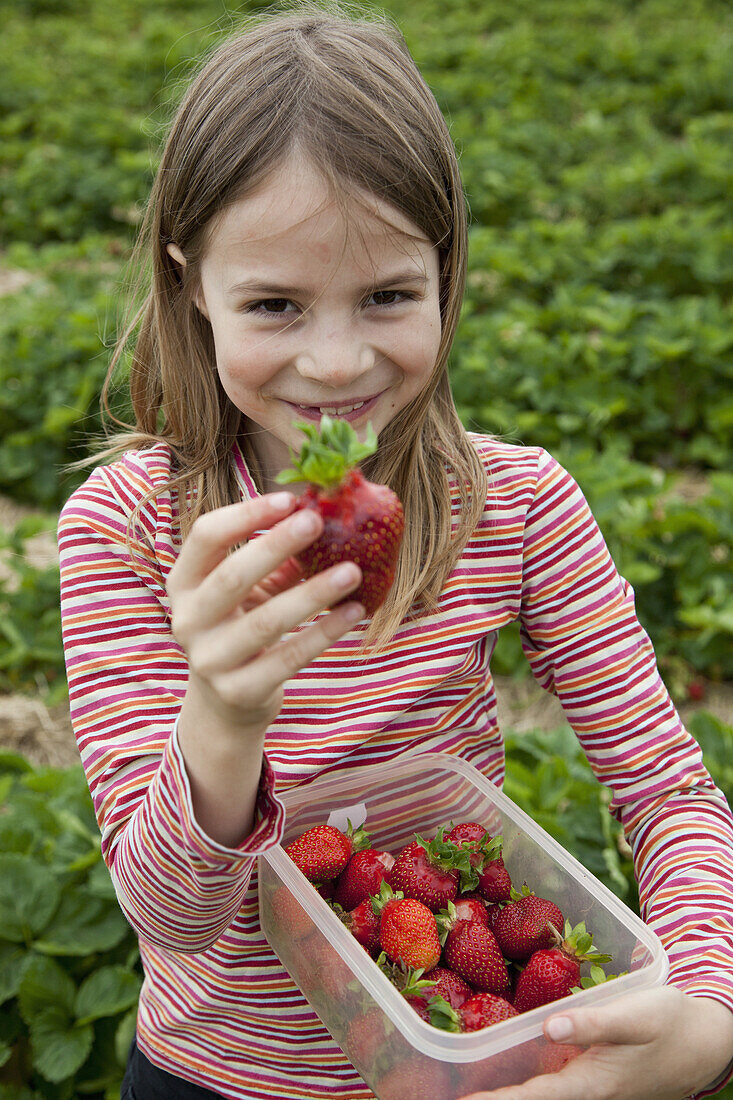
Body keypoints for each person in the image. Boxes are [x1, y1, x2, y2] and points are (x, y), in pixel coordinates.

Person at [56, 5, 733, 1099]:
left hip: (475, 1067)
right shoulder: (128, 529)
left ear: (445, 269)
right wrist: (224, 714)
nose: (335, 361)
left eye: (386, 295)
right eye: (274, 303)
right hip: (218, 1073)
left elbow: (667, 788)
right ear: (190, 281)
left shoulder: (515, 506)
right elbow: (170, 916)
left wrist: (706, 1008)